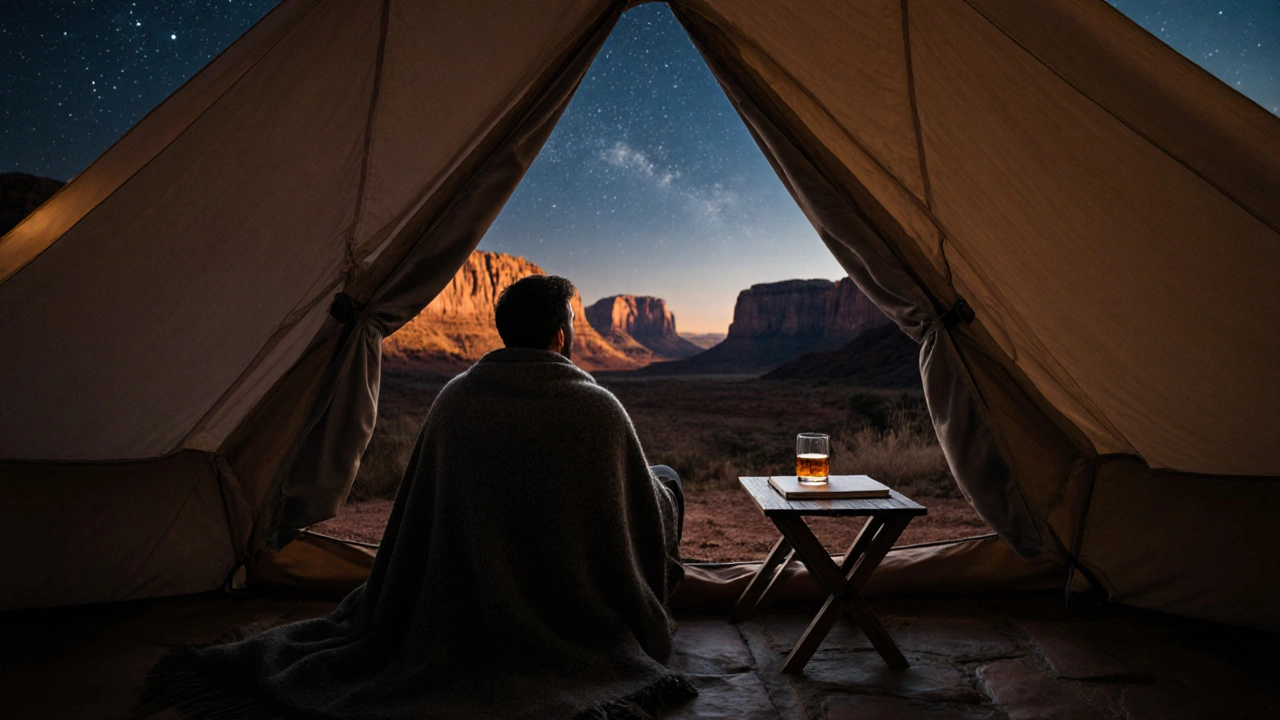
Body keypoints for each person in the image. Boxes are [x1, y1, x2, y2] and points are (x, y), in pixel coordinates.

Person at [141, 275, 693, 719]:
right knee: (662, 478)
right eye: (571, 324)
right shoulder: (598, 408)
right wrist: (665, 493)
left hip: (460, 588)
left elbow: (421, 508)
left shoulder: (455, 399)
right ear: (560, 336)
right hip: (576, 601)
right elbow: (635, 510)